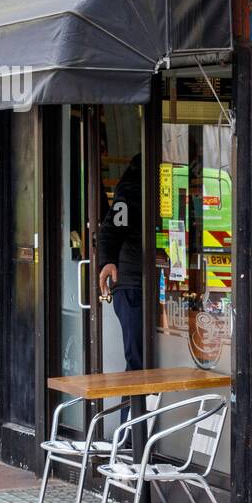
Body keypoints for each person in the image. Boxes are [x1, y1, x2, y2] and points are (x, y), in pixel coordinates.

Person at [97, 153, 144, 371]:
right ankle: (132, 407)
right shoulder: (130, 192)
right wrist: (107, 261)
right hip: (130, 286)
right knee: (137, 362)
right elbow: (112, 228)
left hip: (138, 284)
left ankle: (139, 405)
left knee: (141, 361)